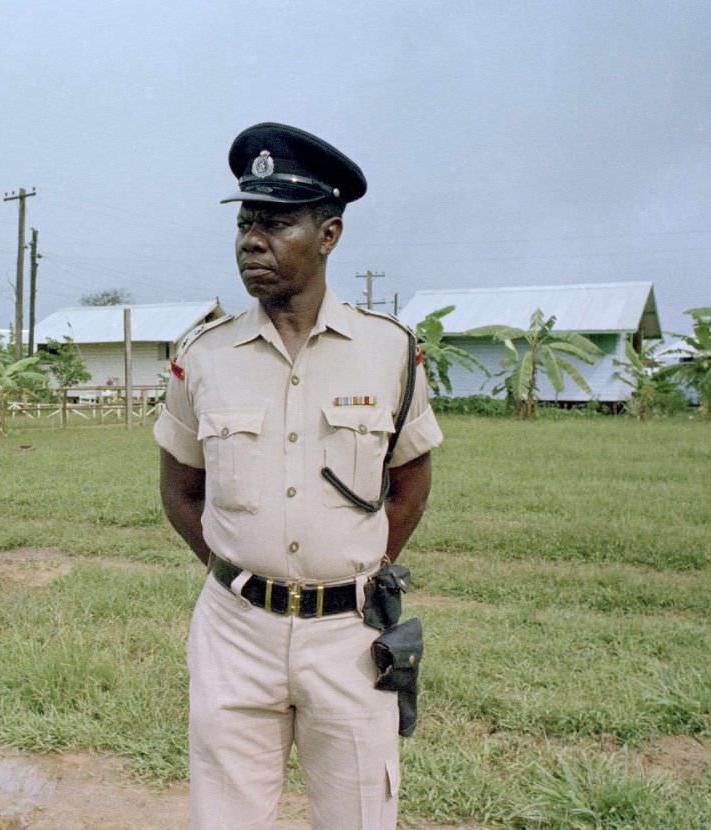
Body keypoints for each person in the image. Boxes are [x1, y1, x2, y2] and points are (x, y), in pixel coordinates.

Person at [154, 122, 443, 830]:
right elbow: (179, 489)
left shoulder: (389, 351)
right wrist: (245, 575)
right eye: (247, 223)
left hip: (349, 636)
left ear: (329, 235)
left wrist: (352, 569)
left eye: (277, 223)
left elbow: (410, 482)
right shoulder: (204, 354)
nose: (252, 241)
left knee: (358, 817)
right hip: (233, 632)